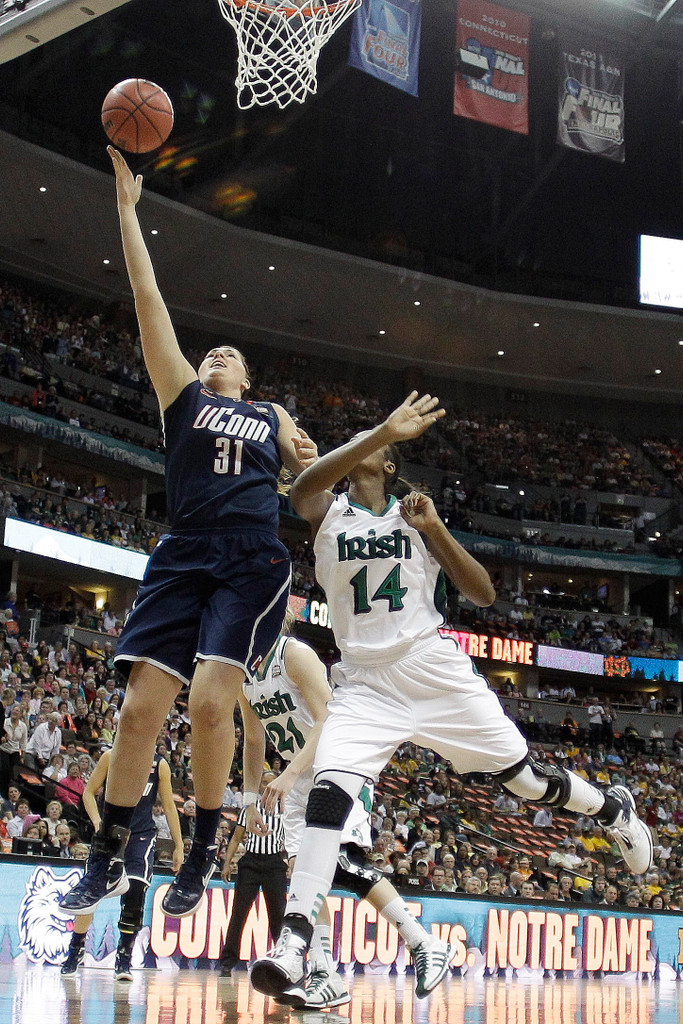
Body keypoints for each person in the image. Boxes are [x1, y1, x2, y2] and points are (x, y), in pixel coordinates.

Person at [249, 392, 654, 998]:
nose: (367, 442)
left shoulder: (416, 517)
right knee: (330, 793)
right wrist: (382, 429)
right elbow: (304, 483)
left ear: (389, 465)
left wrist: (435, 527)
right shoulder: (325, 512)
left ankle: (613, 810)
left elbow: (485, 594)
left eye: (376, 443)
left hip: (431, 667)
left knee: (524, 780)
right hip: (363, 680)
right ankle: (294, 942)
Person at [60, 147, 317, 919]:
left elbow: (308, 481)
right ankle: (108, 854)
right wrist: (127, 213)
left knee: (212, 703)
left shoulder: (271, 417)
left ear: (249, 380)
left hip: (250, 556)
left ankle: (203, 849)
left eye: (231, 354)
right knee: (139, 711)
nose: (218, 354)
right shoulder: (181, 394)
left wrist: (305, 453)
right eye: (213, 351)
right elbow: (147, 299)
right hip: (182, 551)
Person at [239, 614, 450, 1006]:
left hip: (339, 766)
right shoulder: (244, 673)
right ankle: (324, 975)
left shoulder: (293, 654)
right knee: (303, 876)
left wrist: (289, 773)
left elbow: (328, 720)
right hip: (298, 781)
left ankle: (423, 942)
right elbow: (253, 740)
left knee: (340, 865)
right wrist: (250, 801)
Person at [60, 748, 183, 979]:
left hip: (141, 836)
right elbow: (88, 793)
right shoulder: (111, 756)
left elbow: (168, 806)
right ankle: (76, 948)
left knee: (135, 892)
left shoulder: (159, 765)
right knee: (91, 893)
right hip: (111, 834)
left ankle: (124, 957)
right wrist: (97, 822)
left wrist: (179, 845)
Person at [218, 772, 287, 978]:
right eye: (263, 783)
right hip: (250, 862)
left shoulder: (285, 810)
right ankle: (227, 963)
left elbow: (294, 839)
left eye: (270, 783)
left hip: (275, 863)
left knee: (278, 916)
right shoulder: (250, 809)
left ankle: (283, 961)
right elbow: (236, 838)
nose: (267, 786)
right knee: (239, 913)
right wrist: (227, 863)